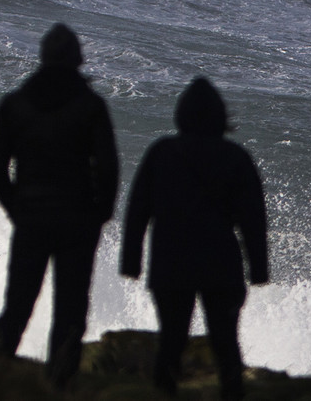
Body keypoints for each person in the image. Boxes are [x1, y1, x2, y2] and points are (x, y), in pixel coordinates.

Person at [0, 22, 119, 389]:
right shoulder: (91, 106)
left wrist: (16, 208)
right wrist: (100, 212)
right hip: (77, 220)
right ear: (78, 59)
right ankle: (60, 385)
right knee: (71, 312)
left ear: (42, 57)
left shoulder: (15, 104)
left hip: (32, 217)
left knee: (18, 305)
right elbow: (108, 167)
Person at [120, 77, 269, 401]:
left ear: (181, 115)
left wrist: (131, 261)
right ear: (220, 116)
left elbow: (137, 210)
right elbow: (253, 220)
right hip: (220, 262)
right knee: (226, 342)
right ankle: (232, 394)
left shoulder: (162, 152)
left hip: (170, 261)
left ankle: (163, 395)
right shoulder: (235, 156)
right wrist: (259, 268)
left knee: (171, 340)